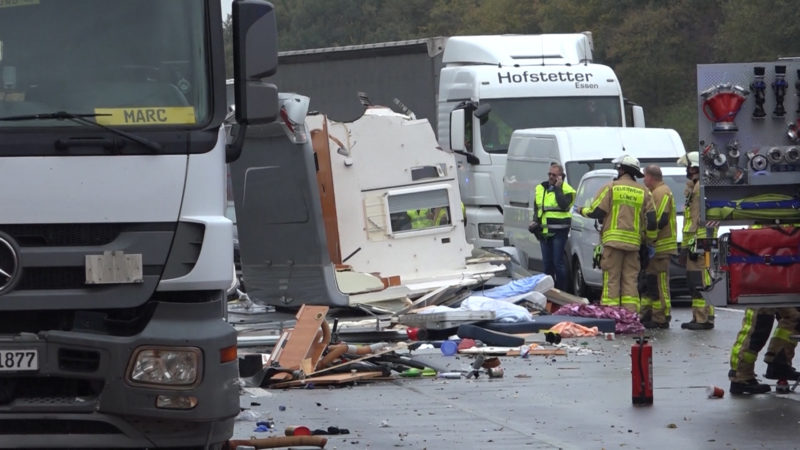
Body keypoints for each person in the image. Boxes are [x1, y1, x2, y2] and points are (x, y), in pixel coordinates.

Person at [579, 155, 657, 313]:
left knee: (612, 280)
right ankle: (630, 317)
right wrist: (648, 242)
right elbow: (652, 220)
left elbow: (597, 211)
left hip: (613, 244)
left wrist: (582, 210)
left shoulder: (610, 188)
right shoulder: (644, 191)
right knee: (630, 281)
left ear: (622, 169)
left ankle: (611, 316)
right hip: (633, 245)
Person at [677, 152, 715, 330]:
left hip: (699, 243)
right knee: (704, 280)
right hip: (701, 242)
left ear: (694, 167)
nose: (686, 170)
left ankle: (701, 318)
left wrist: (689, 247)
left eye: (688, 167)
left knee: (698, 280)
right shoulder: (697, 186)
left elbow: (695, 220)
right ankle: (704, 316)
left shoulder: (699, 188)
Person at [640, 165, 678, 329]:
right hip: (656, 246)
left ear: (651, 177)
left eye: (645, 176)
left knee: (660, 283)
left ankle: (662, 317)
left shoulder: (661, 192)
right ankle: (649, 313)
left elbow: (660, 219)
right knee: (651, 282)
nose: (643, 180)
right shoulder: (656, 192)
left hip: (661, 246)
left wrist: (650, 238)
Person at [530, 163, 575, 292]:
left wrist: (558, 188)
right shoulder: (541, 188)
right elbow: (537, 208)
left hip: (559, 232)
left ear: (560, 177)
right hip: (544, 231)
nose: (550, 177)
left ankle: (561, 291)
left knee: (558, 263)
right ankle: (549, 292)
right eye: (549, 174)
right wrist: (534, 223)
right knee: (547, 265)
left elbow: (563, 205)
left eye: (554, 175)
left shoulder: (568, 190)